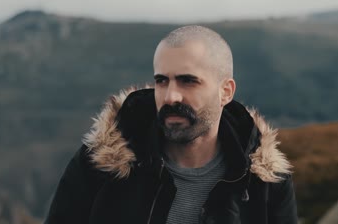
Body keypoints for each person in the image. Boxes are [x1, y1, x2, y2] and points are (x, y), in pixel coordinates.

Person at [45, 25, 297, 224]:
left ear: (225, 92)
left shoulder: (264, 183)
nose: (170, 96)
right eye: (162, 81)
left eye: (188, 81)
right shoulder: (100, 165)